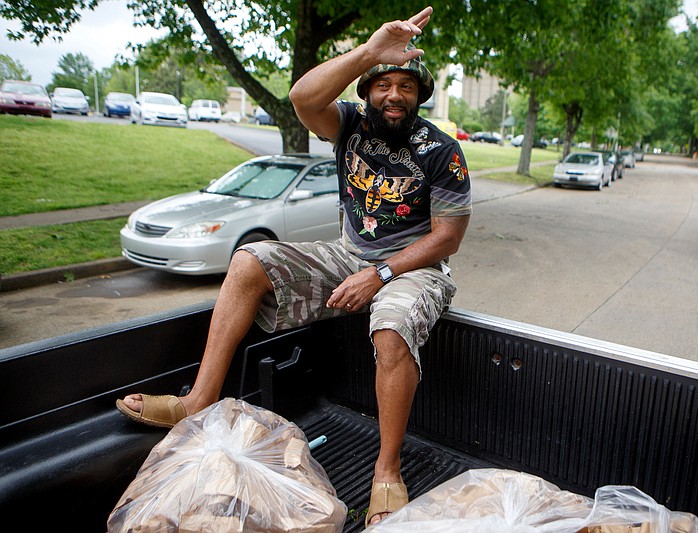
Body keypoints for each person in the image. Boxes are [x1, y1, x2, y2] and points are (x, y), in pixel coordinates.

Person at [116, 5, 471, 526]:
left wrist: (381, 274)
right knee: (247, 261)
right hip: (349, 252)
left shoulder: (442, 151)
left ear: (420, 96)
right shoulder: (347, 125)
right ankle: (199, 401)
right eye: (383, 84)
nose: (394, 95)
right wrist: (370, 52)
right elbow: (302, 97)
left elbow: (448, 238)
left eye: (407, 87)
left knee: (392, 327)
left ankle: (386, 470)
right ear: (366, 90)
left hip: (413, 267)